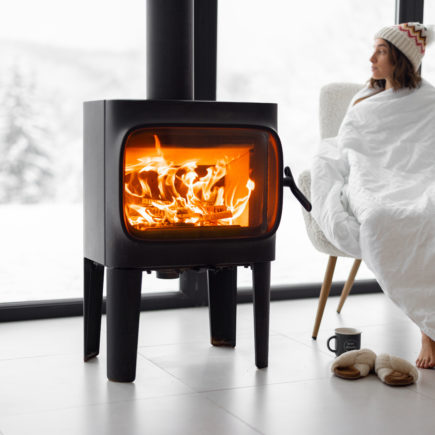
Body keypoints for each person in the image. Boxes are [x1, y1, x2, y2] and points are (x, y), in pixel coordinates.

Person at [310, 23, 435, 370]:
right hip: (372, 176)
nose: (371, 58)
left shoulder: (429, 100)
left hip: (421, 177)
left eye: (380, 51)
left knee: (428, 211)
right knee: (382, 216)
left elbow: (426, 149)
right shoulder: (364, 97)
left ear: (399, 58)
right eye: (374, 49)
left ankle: (428, 331)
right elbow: (353, 148)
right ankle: (429, 325)